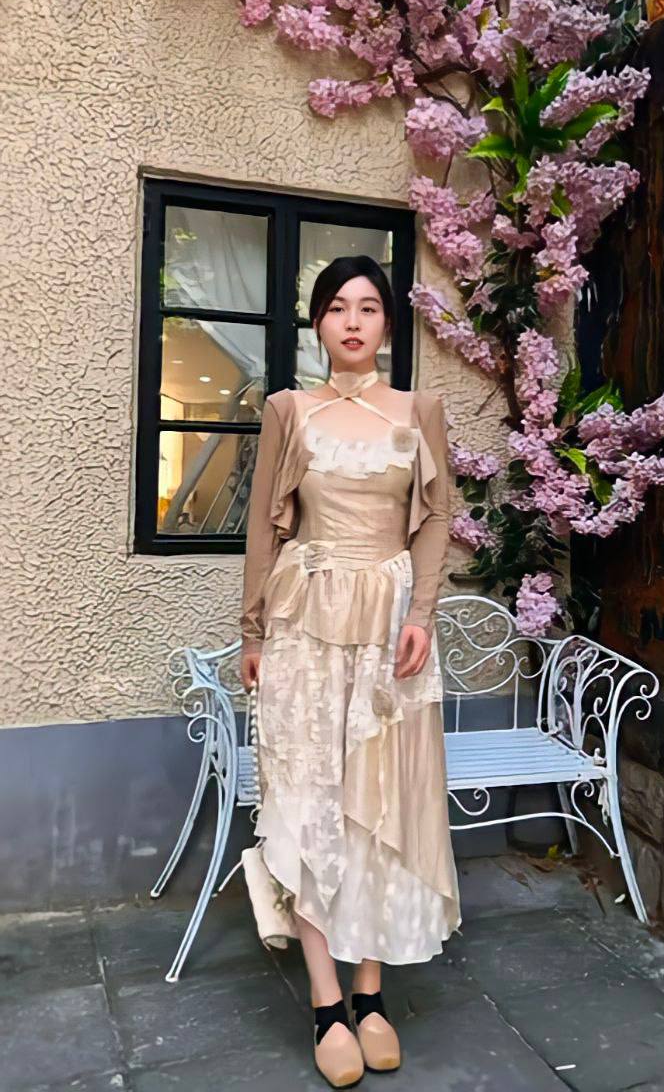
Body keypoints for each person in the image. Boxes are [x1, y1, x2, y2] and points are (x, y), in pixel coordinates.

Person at [239, 254, 462, 1087]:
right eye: (337, 307)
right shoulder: (288, 409)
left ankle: (370, 993)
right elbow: (265, 526)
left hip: (387, 629)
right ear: (318, 324)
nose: (353, 321)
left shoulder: (419, 410)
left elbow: (433, 518)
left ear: (387, 326)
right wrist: (252, 630)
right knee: (311, 804)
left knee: (378, 803)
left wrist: (420, 615)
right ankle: (326, 1001)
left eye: (368, 307)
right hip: (303, 624)